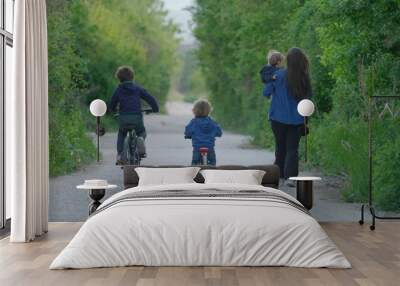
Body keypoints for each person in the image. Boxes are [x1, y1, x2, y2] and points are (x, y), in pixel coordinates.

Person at [263, 48, 312, 186]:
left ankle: (278, 176)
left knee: (280, 146)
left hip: (277, 118)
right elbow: (308, 101)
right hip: (297, 120)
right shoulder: (304, 78)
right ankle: (290, 177)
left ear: (287, 61)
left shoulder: (277, 75)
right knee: (292, 148)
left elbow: (266, 92)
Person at [110, 66, 159, 165]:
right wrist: (155, 108)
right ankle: (140, 139)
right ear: (132, 77)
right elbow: (151, 99)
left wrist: (113, 110)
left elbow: (112, 104)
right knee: (141, 132)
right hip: (136, 117)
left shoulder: (118, 90)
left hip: (123, 118)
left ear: (119, 78)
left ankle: (120, 154)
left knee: (122, 133)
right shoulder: (138, 89)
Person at [184, 99, 222, 165]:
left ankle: (196, 173)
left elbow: (188, 131)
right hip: (210, 148)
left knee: (195, 166)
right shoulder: (212, 122)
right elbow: (219, 132)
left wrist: (187, 135)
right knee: (212, 165)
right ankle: (211, 172)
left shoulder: (193, 122)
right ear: (209, 110)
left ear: (194, 110)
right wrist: (216, 134)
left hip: (197, 148)